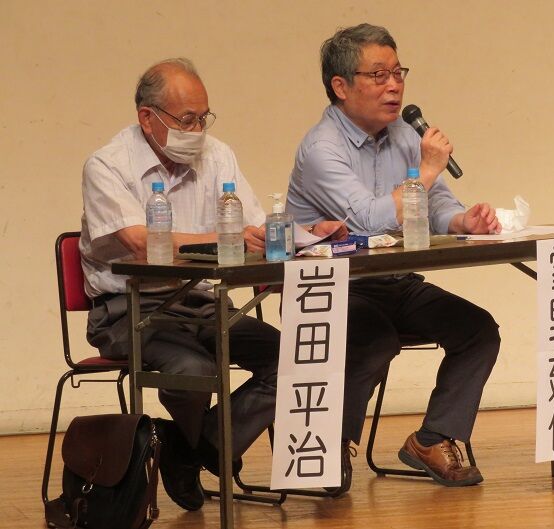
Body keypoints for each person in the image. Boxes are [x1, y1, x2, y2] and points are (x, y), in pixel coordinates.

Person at [80, 58, 345, 511]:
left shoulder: (218, 155)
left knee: (296, 356)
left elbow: (254, 228)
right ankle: (205, 446)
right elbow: (141, 243)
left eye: (204, 117)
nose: (198, 130)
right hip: (129, 310)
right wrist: (223, 239)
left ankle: (190, 449)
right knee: (195, 370)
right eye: (187, 119)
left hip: (203, 303)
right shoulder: (107, 165)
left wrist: (303, 234)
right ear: (147, 117)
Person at [286, 24, 502, 489]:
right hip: (329, 288)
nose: (394, 86)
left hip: (392, 280)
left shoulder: (403, 134)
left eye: (398, 72)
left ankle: (433, 438)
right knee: (373, 339)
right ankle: (331, 443)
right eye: (379, 74)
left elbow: (436, 204)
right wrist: (427, 170)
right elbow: (369, 219)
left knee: (477, 329)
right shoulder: (322, 148)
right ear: (341, 86)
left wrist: (464, 221)